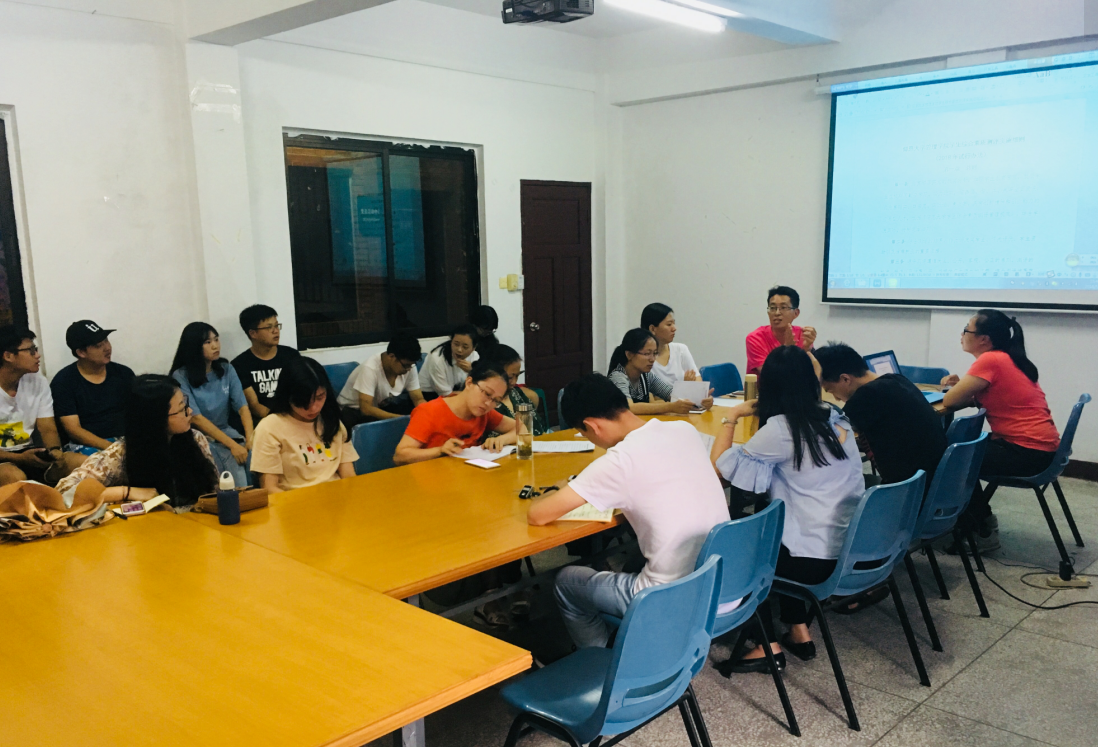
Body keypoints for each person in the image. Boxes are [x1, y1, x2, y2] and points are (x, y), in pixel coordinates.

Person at [527, 373, 730, 649]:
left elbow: (538, 515)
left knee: (566, 582)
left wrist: (557, 490)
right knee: (636, 555)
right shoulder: (684, 430)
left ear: (592, 426)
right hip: (725, 585)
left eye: (585, 433)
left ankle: (602, 660)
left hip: (673, 599)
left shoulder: (619, 461)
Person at [711, 345, 862, 673]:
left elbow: (720, 469)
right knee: (783, 527)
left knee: (742, 549)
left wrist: (731, 417)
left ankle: (767, 646)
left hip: (812, 561)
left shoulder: (782, 429)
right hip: (847, 549)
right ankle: (798, 630)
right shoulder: (834, 416)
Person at [940, 309, 1060, 551]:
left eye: (966, 329)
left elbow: (950, 401)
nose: (962, 334)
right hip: (1042, 449)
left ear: (984, 339)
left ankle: (982, 530)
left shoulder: (991, 360)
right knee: (958, 452)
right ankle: (978, 522)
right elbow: (993, 395)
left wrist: (958, 389)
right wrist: (964, 386)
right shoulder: (1009, 358)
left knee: (952, 459)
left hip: (1026, 453)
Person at [55, 374, 219, 508]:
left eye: (185, 403)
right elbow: (64, 490)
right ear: (156, 418)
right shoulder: (122, 453)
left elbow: (215, 491)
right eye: (182, 408)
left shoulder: (196, 439)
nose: (190, 411)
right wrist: (126, 492)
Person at [815, 342, 947, 487]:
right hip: (935, 482)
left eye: (831, 390)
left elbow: (825, 434)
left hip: (905, 490)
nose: (836, 398)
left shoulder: (866, 397)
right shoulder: (897, 380)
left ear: (845, 379)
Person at [251, 357, 359, 493]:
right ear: (288, 397)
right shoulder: (269, 428)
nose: (314, 408)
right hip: (294, 500)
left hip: (336, 497)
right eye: (303, 401)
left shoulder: (331, 420)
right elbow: (269, 488)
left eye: (320, 397)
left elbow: (348, 475)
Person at [171, 322, 253, 488]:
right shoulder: (181, 375)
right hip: (199, 436)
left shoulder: (226, 369)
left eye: (216, 339)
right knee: (233, 461)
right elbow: (196, 418)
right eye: (208, 342)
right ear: (194, 346)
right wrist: (233, 445)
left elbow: (243, 407)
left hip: (226, 431)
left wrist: (251, 438)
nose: (215, 345)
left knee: (253, 455)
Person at [0, 326, 84, 486]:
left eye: (36, 349)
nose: (38, 355)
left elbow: (47, 428)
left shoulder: (37, 381)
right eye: (31, 351)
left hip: (31, 453)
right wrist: (19, 458)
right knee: (14, 477)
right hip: (4, 458)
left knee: (82, 463)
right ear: (8, 356)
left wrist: (54, 451)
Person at [393, 360, 517, 465]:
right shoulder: (430, 411)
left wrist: (502, 439)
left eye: (496, 400)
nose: (488, 403)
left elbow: (521, 429)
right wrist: (440, 450)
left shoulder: (484, 412)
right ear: (469, 383)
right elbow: (400, 456)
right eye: (487, 393)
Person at [50, 320, 135, 454]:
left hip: (125, 439)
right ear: (81, 352)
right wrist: (113, 449)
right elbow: (73, 429)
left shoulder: (124, 373)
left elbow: (137, 412)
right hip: (88, 445)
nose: (107, 348)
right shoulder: (64, 381)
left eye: (106, 340)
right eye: (98, 345)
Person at [607, 328, 711, 416]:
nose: (652, 359)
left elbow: (673, 395)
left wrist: (701, 400)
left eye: (655, 353)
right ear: (629, 355)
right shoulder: (618, 376)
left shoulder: (646, 376)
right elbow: (629, 408)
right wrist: (670, 407)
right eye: (647, 354)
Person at [337, 334, 425, 426]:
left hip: (379, 406)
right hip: (352, 411)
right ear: (391, 356)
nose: (409, 369)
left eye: (411, 365)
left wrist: (426, 412)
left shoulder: (409, 367)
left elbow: (418, 398)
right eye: (405, 365)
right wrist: (401, 419)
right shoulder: (370, 368)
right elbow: (366, 409)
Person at [232, 304, 300, 421]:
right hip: (264, 421)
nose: (275, 331)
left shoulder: (291, 356)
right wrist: (280, 421)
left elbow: (300, 391)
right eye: (269, 327)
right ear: (253, 333)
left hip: (294, 415)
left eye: (276, 325)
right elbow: (255, 406)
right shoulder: (240, 364)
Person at [745, 285, 817, 377]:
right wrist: (787, 350)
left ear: (796, 313)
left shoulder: (803, 335)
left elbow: (810, 373)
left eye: (783, 308)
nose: (777, 313)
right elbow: (771, 376)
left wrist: (807, 349)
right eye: (772, 308)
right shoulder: (755, 338)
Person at [489, 345, 545, 436]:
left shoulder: (516, 394)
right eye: (510, 377)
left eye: (518, 376)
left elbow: (538, 428)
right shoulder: (488, 404)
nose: (515, 382)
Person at [641, 302, 699, 383]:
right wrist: (684, 386)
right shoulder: (643, 359)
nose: (674, 328)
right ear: (653, 329)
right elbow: (652, 392)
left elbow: (697, 380)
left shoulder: (681, 349)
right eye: (669, 324)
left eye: (674, 323)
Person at [420, 324, 479, 399]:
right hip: (430, 394)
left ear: (474, 348)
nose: (459, 350)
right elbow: (445, 394)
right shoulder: (437, 359)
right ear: (451, 341)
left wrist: (472, 371)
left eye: (465, 347)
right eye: (456, 344)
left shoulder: (474, 357)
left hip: (455, 390)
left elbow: (479, 383)